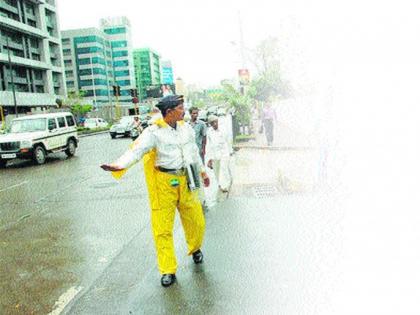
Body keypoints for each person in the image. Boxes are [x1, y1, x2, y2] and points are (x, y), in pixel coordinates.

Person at [101, 95, 210, 287]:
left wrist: (202, 172)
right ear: (169, 112)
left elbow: (193, 152)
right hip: (164, 184)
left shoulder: (186, 129)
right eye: (180, 107)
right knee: (162, 229)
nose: (183, 110)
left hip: (186, 180)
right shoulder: (154, 132)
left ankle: (195, 248)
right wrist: (118, 165)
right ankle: (168, 269)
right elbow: (136, 151)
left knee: (196, 220)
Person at [206, 115, 232, 197]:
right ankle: (220, 184)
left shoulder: (223, 129)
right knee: (216, 170)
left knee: (223, 169)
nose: (214, 124)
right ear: (210, 124)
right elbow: (209, 145)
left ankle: (225, 185)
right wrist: (209, 158)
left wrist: (230, 151)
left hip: (224, 153)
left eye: (215, 122)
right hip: (214, 154)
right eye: (212, 123)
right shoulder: (209, 132)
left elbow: (228, 140)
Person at [189, 106, 208, 211]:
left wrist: (204, 150)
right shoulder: (186, 125)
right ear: (190, 114)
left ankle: (202, 199)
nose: (195, 115)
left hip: (199, 153)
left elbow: (204, 138)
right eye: (193, 113)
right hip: (190, 155)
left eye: (196, 113)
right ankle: (195, 199)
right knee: (192, 176)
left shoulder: (201, 124)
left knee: (201, 174)